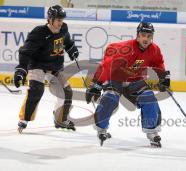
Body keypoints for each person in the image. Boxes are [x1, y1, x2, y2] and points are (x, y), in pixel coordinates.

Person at [85, 22, 170, 147]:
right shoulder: (126, 49)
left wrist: (164, 77)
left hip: (136, 81)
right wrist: (96, 85)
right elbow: (106, 66)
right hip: (116, 79)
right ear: (138, 35)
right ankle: (101, 128)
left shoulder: (154, 49)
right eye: (143, 35)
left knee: (149, 98)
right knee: (109, 99)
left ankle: (152, 131)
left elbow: (158, 63)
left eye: (149, 35)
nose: (146, 38)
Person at [14, 5, 79, 133]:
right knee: (36, 90)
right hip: (38, 66)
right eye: (58, 20)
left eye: (62, 20)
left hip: (55, 67)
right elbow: (25, 52)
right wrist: (21, 69)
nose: (61, 23)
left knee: (67, 92)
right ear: (50, 19)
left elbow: (67, 40)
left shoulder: (63, 28)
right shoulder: (39, 32)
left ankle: (60, 119)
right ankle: (24, 119)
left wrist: (71, 48)